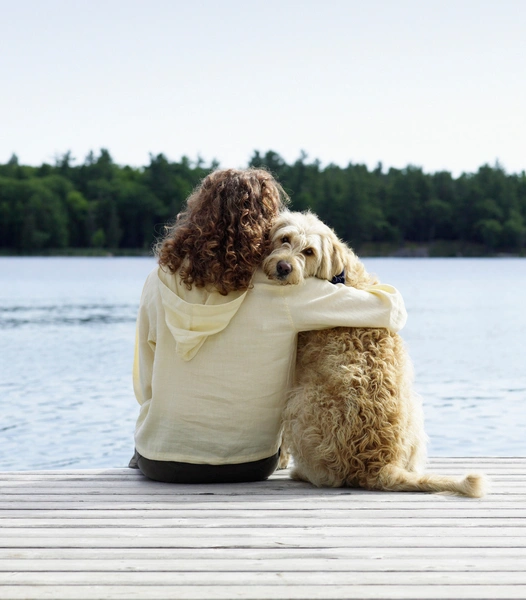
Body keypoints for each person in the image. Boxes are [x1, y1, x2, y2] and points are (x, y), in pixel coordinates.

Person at [130, 168, 407, 483]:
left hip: (160, 461)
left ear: (196, 215)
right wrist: (343, 272)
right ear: (265, 226)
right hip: (248, 463)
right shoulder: (286, 291)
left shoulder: (158, 279)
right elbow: (391, 311)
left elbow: (144, 381)